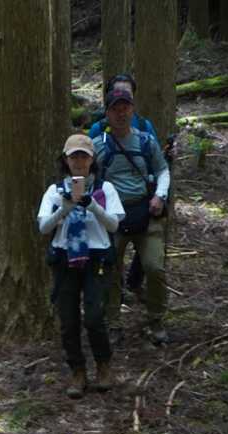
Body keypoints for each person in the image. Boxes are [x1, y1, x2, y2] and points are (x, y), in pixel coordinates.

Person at [38, 132, 124, 397]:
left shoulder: (105, 189)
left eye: (83, 157)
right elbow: (43, 227)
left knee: (95, 315)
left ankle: (103, 366)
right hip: (64, 258)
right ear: (65, 160)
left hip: (97, 257)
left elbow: (114, 224)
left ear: (91, 160)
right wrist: (64, 209)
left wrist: (92, 205)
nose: (78, 162)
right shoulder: (55, 191)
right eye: (73, 156)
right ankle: (77, 371)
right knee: (68, 318)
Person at [92, 81, 171, 344]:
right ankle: (113, 322)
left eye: (125, 107)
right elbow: (86, 176)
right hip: (112, 218)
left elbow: (162, 170)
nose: (121, 113)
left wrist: (160, 196)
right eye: (115, 109)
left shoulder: (146, 142)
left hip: (146, 212)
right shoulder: (97, 146)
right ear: (107, 113)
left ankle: (156, 319)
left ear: (132, 109)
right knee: (110, 269)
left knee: (154, 267)